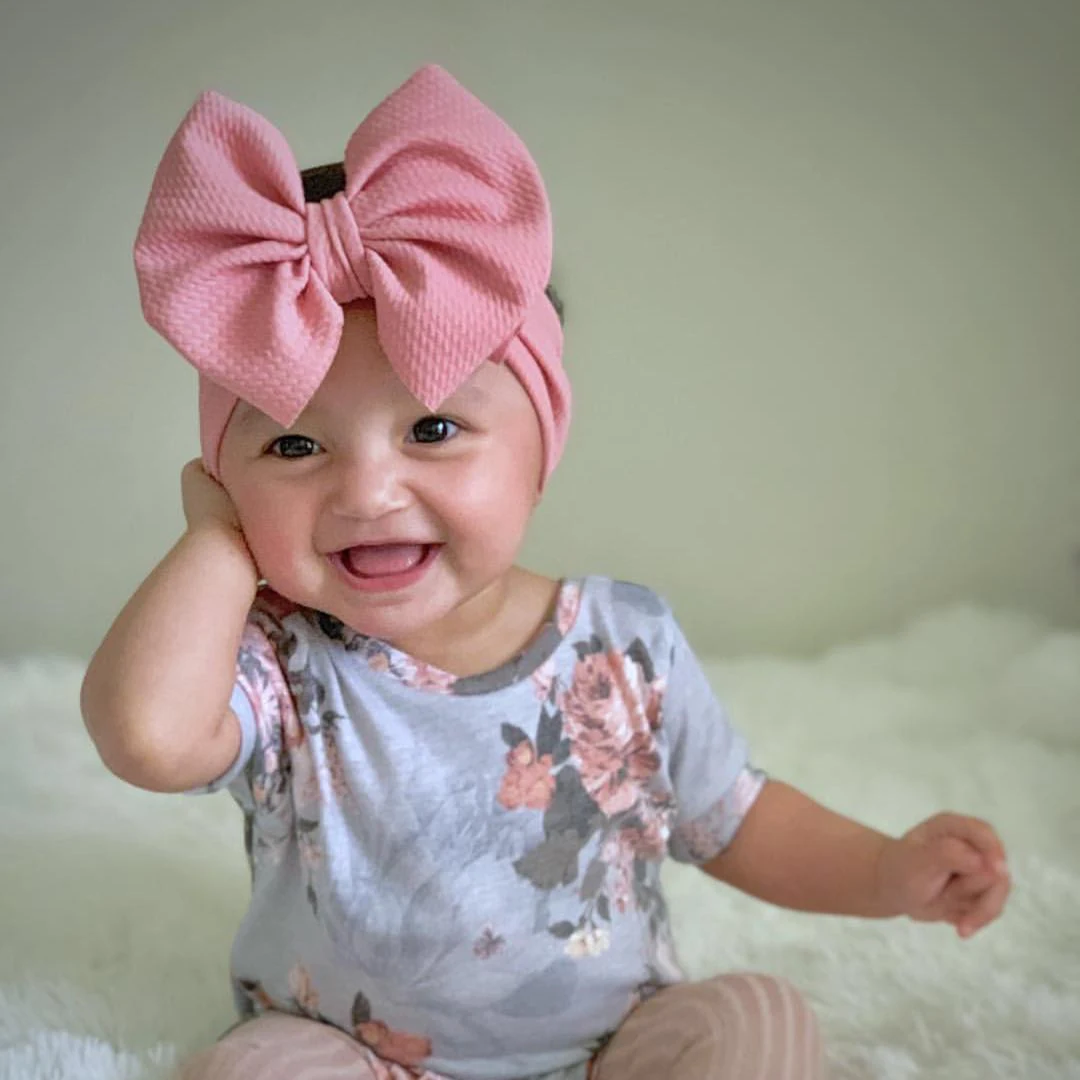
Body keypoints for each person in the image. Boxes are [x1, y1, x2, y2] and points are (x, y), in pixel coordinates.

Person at [81, 66, 1011, 1080]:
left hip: (616, 1046)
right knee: (249, 1070)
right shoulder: (279, 661)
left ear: (540, 446)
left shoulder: (624, 643)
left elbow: (736, 820)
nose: (368, 491)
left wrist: (885, 869)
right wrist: (218, 541)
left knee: (756, 1016)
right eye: (294, 448)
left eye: (433, 429)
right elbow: (147, 738)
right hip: (354, 1054)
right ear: (226, 475)